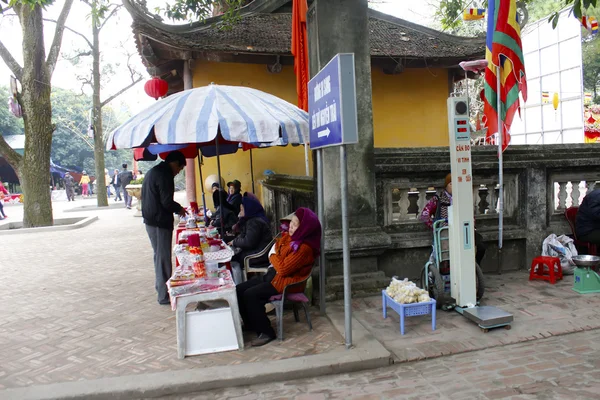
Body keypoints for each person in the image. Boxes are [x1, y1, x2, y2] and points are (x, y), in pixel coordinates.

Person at [236, 207, 321, 347]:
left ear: (304, 228)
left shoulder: (304, 248)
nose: (291, 227)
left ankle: (267, 332)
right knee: (239, 290)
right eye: (291, 223)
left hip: (287, 283)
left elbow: (282, 268)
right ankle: (251, 324)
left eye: (295, 225)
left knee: (251, 295)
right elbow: (278, 245)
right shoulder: (290, 237)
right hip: (274, 276)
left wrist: (273, 255)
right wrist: (277, 255)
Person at [142, 151, 187, 305]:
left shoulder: (154, 171)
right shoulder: (164, 175)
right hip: (159, 222)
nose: (178, 172)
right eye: (179, 169)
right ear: (174, 163)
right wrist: (180, 209)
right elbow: (167, 202)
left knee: (159, 256)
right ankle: (163, 295)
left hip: (151, 220)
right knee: (163, 258)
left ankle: (161, 289)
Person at [419, 173, 486, 266]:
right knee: (443, 254)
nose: (454, 186)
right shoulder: (438, 199)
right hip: (445, 233)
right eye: (451, 184)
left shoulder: (462, 199)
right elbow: (424, 215)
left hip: (462, 231)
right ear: (446, 186)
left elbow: (470, 214)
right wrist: (435, 225)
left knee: (480, 247)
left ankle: (475, 267)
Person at [228, 195, 273, 284]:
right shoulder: (251, 220)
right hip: (258, 250)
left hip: (259, 256)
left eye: (242, 209)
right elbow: (244, 236)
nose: (240, 211)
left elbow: (249, 242)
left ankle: (238, 283)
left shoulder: (254, 222)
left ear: (248, 209)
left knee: (233, 258)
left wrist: (234, 242)